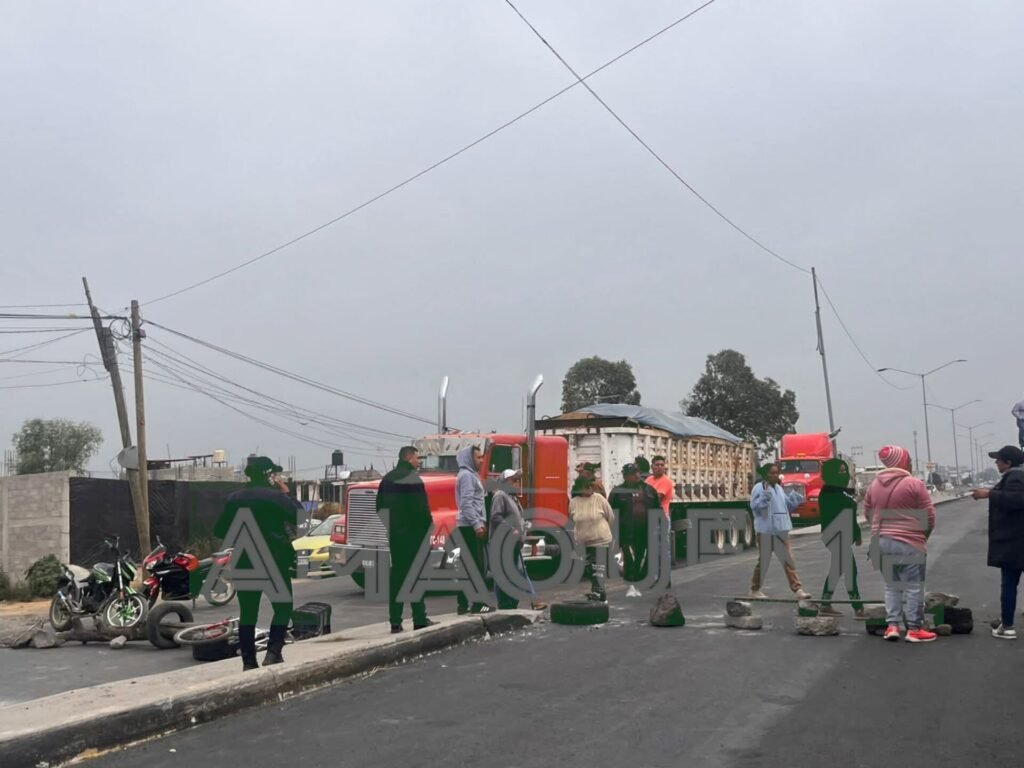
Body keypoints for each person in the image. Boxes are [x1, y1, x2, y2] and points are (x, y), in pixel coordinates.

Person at [214, 456, 301, 671]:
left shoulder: (234, 498)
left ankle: (248, 662)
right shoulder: (275, 496)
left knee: (248, 612)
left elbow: (220, 530)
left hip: (245, 560)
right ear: (268, 475)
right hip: (274, 559)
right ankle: (273, 652)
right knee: (283, 607)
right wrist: (286, 493)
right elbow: (301, 518)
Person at [864, 444, 937, 643]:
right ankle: (914, 629)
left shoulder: (873, 485)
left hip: (881, 542)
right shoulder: (914, 484)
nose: (911, 463)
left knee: (892, 585)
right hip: (908, 542)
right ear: (902, 461)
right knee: (913, 587)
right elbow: (929, 515)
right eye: (909, 459)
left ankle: (892, 626)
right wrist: (923, 535)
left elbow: (867, 513)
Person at [378, 446, 437, 634]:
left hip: (396, 537)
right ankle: (419, 618)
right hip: (414, 536)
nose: (419, 462)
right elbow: (421, 510)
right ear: (409, 458)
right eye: (417, 458)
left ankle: (395, 621)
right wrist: (426, 532)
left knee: (397, 577)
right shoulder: (413, 479)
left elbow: (379, 507)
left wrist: (392, 528)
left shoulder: (386, 480)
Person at [971, 445, 1024, 640]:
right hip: (1016, 541)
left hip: (1015, 543)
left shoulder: (1016, 477)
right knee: (1009, 583)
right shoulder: (1014, 477)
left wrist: (988, 494)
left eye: (999, 460)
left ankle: (1007, 627)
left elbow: (1018, 500)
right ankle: (1005, 622)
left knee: (1009, 584)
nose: (996, 463)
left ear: (1008, 462)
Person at [749, 463, 811, 601]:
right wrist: (765, 497)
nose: (775, 475)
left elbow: (786, 505)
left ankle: (798, 589)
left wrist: (796, 497)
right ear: (766, 474)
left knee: (788, 560)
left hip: (781, 530)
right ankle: (754, 589)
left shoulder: (779, 488)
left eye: (776, 472)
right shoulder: (758, 488)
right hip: (766, 531)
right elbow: (755, 506)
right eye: (772, 473)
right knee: (764, 562)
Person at [489, 469, 547, 610]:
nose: (517, 483)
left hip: (513, 542)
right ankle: (506, 604)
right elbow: (495, 517)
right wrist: (511, 529)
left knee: (516, 572)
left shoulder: (512, 497)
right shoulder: (500, 496)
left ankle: (514, 602)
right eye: (513, 480)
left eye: (517, 480)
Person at [817, 459, 864, 617]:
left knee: (836, 570)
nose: (844, 474)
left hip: (843, 535)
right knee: (851, 570)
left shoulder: (841, 491)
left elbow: (850, 514)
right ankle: (858, 608)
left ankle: (825, 603)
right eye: (841, 471)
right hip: (834, 535)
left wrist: (856, 534)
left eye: (845, 471)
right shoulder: (828, 492)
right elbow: (845, 509)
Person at [609, 463, 660, 598]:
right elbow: (611, 513)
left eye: (637, 472)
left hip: (645, 530)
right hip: (627, 532)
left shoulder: (649, 490)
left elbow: (657, 509)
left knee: (642, 558)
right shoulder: (617, 492)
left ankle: (638, 582)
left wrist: (656, 526)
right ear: (626, 476)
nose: (637, 476)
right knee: (629, 559)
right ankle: (631, 585)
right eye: (633, 474)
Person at [454, 445, 494, 614]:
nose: (481, 460)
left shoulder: (470, 475)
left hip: (468, 525)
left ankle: (463, 605)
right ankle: (478, 604)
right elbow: (466, 503)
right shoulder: (467, 477)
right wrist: (477, 524)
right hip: (469, 527)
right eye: (478, 458)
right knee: (476, 566)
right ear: (469, 459)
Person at [569, 477, 615, 601]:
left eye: (590, 487)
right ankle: (598, 593)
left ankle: (599, 594)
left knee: (597, 569)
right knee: (589, 569)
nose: (590, 489)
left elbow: (610, 517)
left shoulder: (599, 499)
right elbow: (572, 520)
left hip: (601, 541)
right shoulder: (573, 502)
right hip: (583, 542)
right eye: (586, 487)